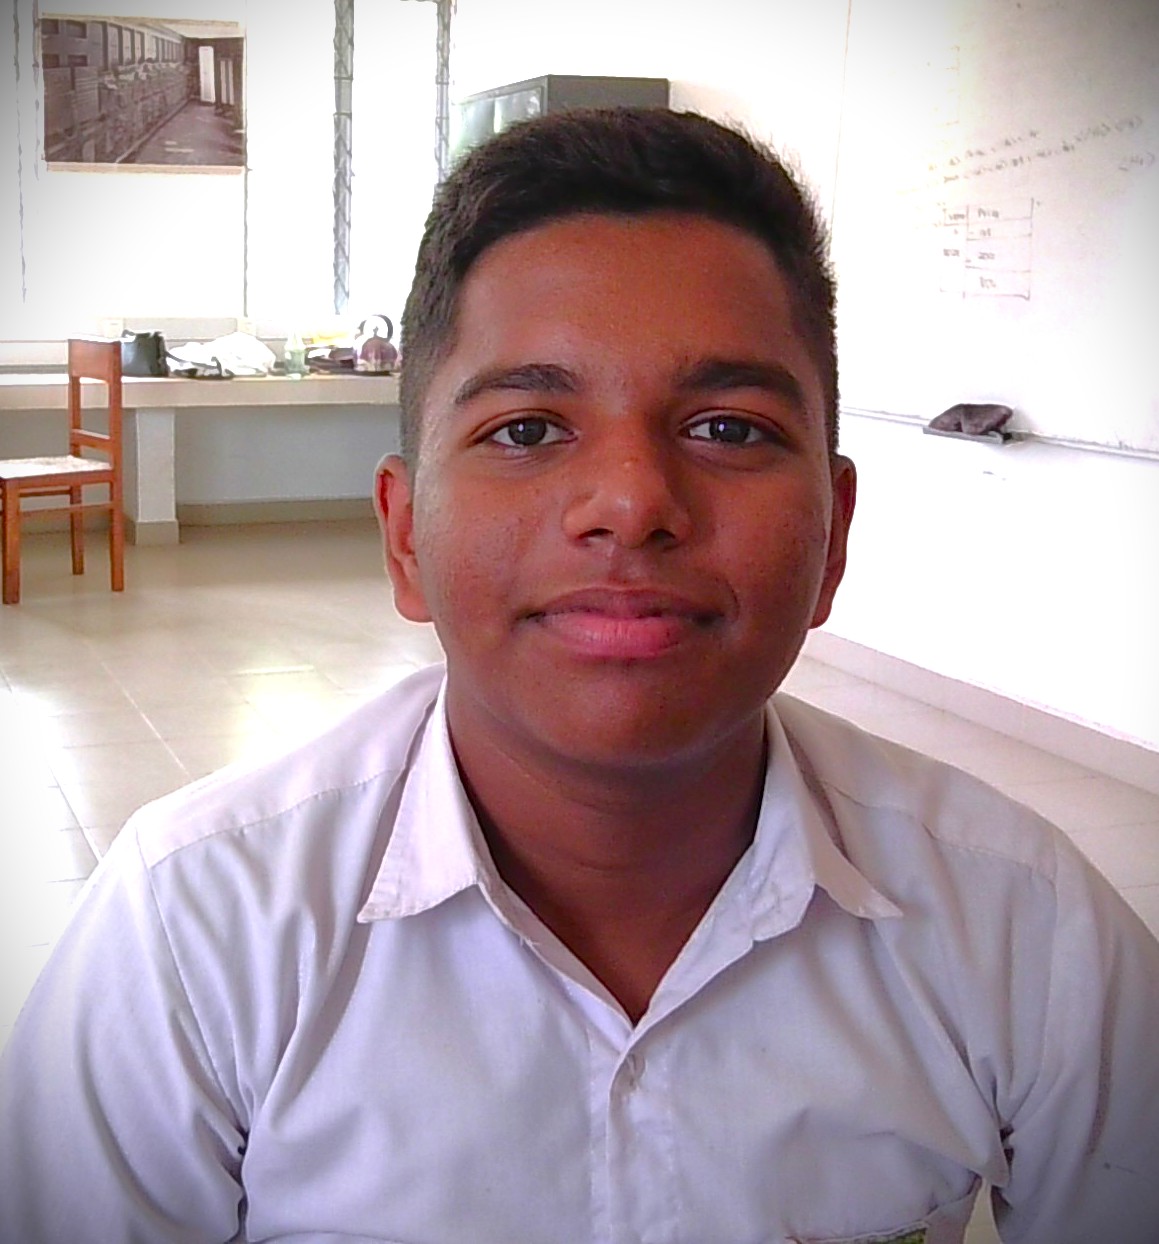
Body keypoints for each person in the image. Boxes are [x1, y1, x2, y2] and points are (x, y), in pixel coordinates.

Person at [1, 108, 1157, 1244]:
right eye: (526, 428)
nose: (632, 503)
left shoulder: (1029, 926)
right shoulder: (192, 926)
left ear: (833, 537)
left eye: (728, 427)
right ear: (404, 535)